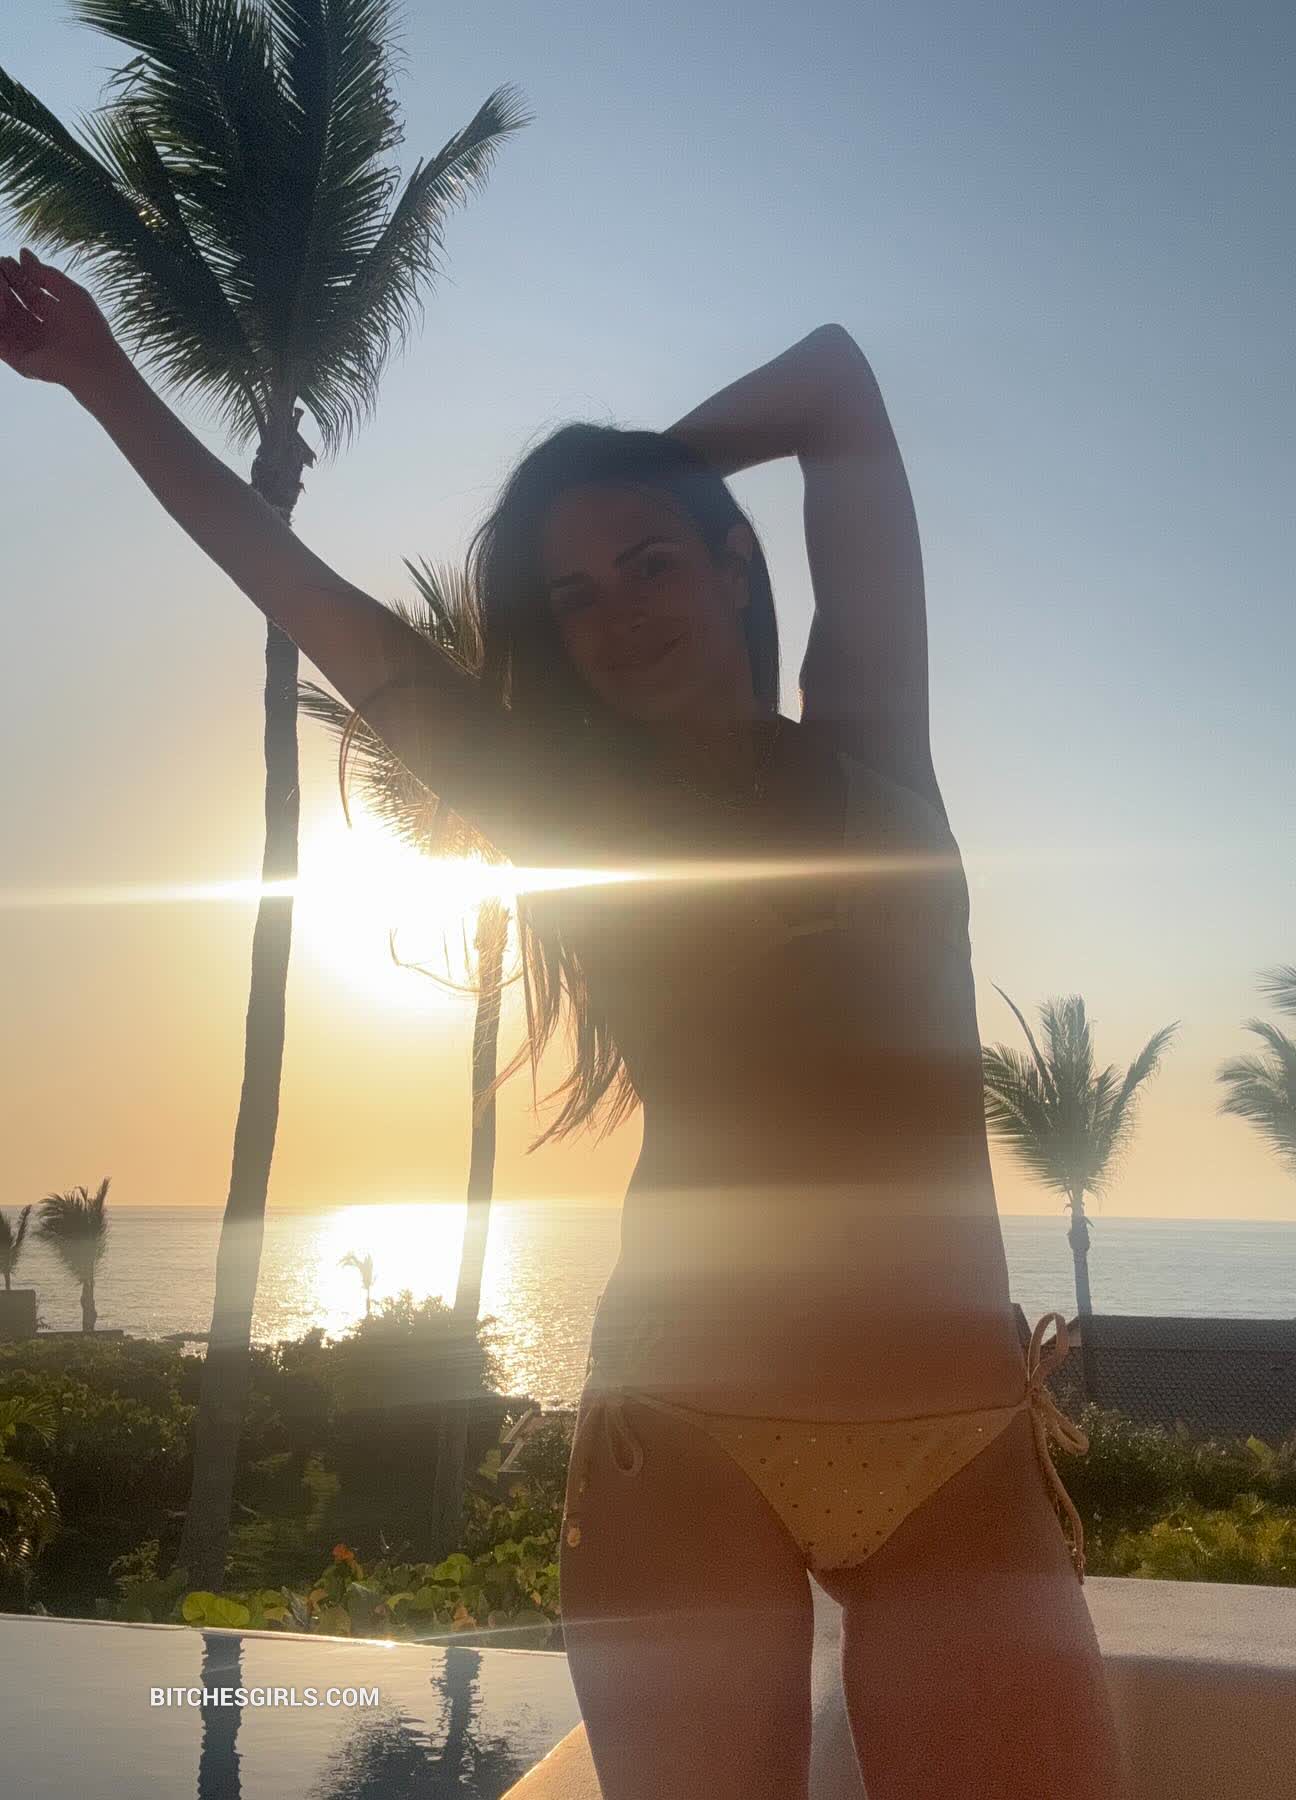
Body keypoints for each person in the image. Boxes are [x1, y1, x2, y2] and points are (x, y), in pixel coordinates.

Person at [1, 245, 1129, 1799]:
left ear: (735, 565)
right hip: (682, 1435)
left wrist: (612, 475)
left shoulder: (873, 740)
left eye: (649, 562)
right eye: (571, 594)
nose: (616, 612)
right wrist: (104, 380)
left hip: (955, 1444)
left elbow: (835, 385)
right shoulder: (560, 807)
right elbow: (299, 591)